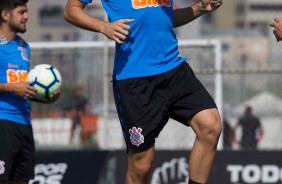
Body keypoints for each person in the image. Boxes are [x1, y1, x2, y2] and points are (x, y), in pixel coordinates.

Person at [64, 0, 223, 183]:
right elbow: (71, 10)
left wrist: (200, 8)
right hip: (134, 80)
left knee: (211, 126)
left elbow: (167, 18)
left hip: (174, 69)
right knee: (142, 165)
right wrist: (103, 27)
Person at [0, 0, 60, 183]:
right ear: (5, 15)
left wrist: (45, 98)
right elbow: (14, 87)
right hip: (3, 124)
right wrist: (12, 87)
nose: (27, 16)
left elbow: (22, 90)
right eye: (22, 12)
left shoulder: (24, 47)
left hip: (24, 124)